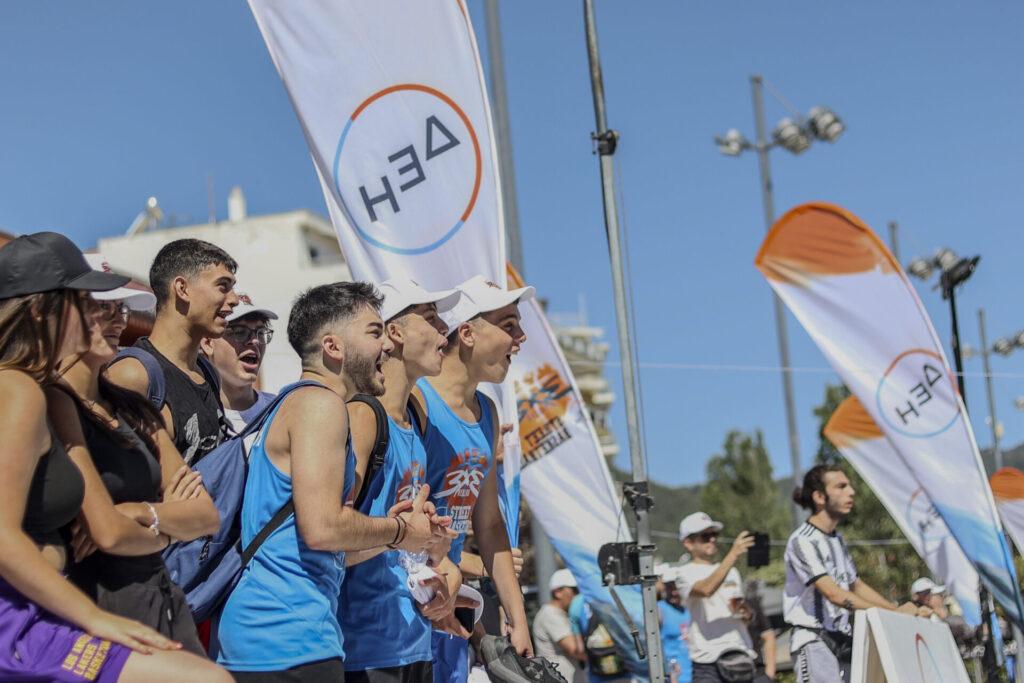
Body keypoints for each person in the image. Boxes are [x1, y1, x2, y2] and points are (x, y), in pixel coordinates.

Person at [0, 231, 230, 682]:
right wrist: (95, 618)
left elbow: (207, 517)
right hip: (17, 625)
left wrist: (143, 515)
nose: (105, 316)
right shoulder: (20, 390)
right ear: (45, 309)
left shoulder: (30, 389)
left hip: (38, 611)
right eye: (86, 302)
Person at [216, 281, 451, 681]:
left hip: (293, 637)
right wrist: (399, 531)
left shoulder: (304, 403)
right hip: (282, 639)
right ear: (333, 347)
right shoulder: (319, 405)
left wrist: (409, 535)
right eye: (375, 333)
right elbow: (323, 528)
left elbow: (327, 544)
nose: (387, 346)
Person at [48, 277, 220, 654]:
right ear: (66, 314)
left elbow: (207, 516)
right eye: (103, 307)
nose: (118, 319)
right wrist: (169, 526)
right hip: (96, 606)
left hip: (161, 599)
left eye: (121, 309)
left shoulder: (132, 406)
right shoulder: (53, 403)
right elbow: (109, 534)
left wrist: (139, 511)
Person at [340, 277, 469, 683]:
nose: (443, 329)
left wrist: (440, 561)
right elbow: (331, 537)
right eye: (430, 318)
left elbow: (411, 543)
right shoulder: (363, 416)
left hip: (413, 639)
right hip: (363, 648)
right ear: (393, 333)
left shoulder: (414, 418)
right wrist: (402, 534)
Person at [413, 275, 536, 682]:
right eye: (509, 325)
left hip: (453, 604)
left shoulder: (488, 410)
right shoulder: (417, 401)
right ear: (466, 333)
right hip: (411, 604)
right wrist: (465, 567)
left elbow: (489, 525)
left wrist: (517, 619)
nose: (520, 338)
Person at [784, 465, 930, 683]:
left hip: (843, 640)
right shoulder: (802, 540)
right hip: (814, 641)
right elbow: (834, 594)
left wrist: (897, 612)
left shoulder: (837, 539)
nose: (851, 492)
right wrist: (896, 613)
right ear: (819, 497)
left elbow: (856, 585)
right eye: (841, 486)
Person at [107, 238, 239, 464]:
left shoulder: (207, 372)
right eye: (223, 286)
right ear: (182, 289)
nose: (234, 299)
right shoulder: (133, 375)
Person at [673, 512, 757, 683]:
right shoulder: (683, 573)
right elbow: (706, 590)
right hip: (707, 660)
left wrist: (747, 614)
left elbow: (740, 610)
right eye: (705, 536)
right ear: (688, 543)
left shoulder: (732, 571)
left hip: (740, 653)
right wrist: (733, 554)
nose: (712, 539)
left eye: (714, 534)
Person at [200, 290, 277, 433]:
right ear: (208, 342)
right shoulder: (189, 416)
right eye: (240, 332)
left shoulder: (282, 412)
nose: (255, 341)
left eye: (260, 332)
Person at [533, 569, 583, 682]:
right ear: (558, 592)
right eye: (574, 590)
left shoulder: (564, 613)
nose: (579, 595)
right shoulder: (550, 614)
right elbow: (576, 650)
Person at [568, 592, 628, 683]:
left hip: (597, 674)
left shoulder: (576, 603)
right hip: (627, 671)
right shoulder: (618, 594)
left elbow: (580, 649)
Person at [658, 569, 692, 683]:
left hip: (696, 672)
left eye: (676, 588)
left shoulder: (690, 607)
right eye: (669, 588)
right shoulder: (659, 609)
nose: (673, 592)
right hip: (674, 676)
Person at [742, 581, 775, 682]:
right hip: (726, 671)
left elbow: (768, 635)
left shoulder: (750, 603)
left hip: (757, 671)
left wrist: (770, 673)